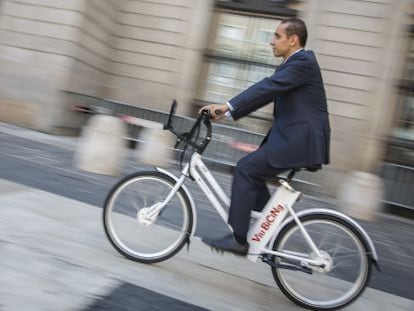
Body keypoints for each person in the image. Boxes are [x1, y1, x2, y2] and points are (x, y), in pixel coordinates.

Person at [199, 18, 330, 255]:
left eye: (277, 36)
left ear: (293, 39)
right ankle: (269, 229)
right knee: (254, 174)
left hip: (299, 141)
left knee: (245, 169)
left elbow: (267, 87)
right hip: (294, 140)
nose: (271, 41)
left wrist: (227, 106)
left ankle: (239, 239)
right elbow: (267, 94)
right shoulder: (295, 65)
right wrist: (227, 114)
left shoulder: (302, 62)